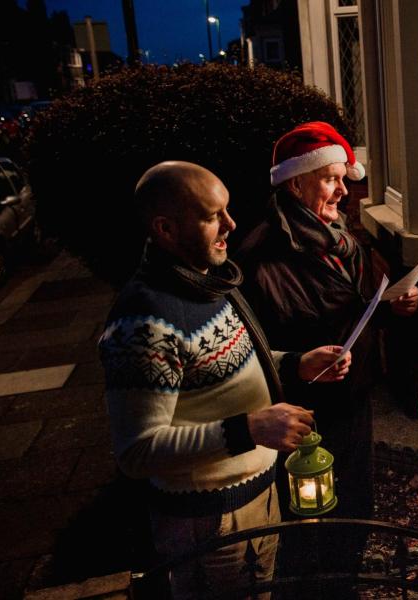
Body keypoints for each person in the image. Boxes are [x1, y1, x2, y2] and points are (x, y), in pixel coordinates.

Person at [98, 161, 350, 598]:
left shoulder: (202, 281)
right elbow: (137, 451)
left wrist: (295, 363)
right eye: (213, 215)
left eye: (228, 210)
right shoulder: (144, 322)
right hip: (209, 519)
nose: (231, 225)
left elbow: (221, 360)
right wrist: (251, 428)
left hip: (253, 494)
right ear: (166, 229)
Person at [238, 121, 418, 524]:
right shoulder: (262, 255)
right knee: (315, 511)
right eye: (330, 180)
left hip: (354, 391)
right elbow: (253, 346)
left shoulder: (341, 237)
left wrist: (394, 306)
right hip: (305, 407)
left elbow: (359, 302)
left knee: (355, 498)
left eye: (342, 179)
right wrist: (300, 360)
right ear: (295, 185)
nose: (342, 191)